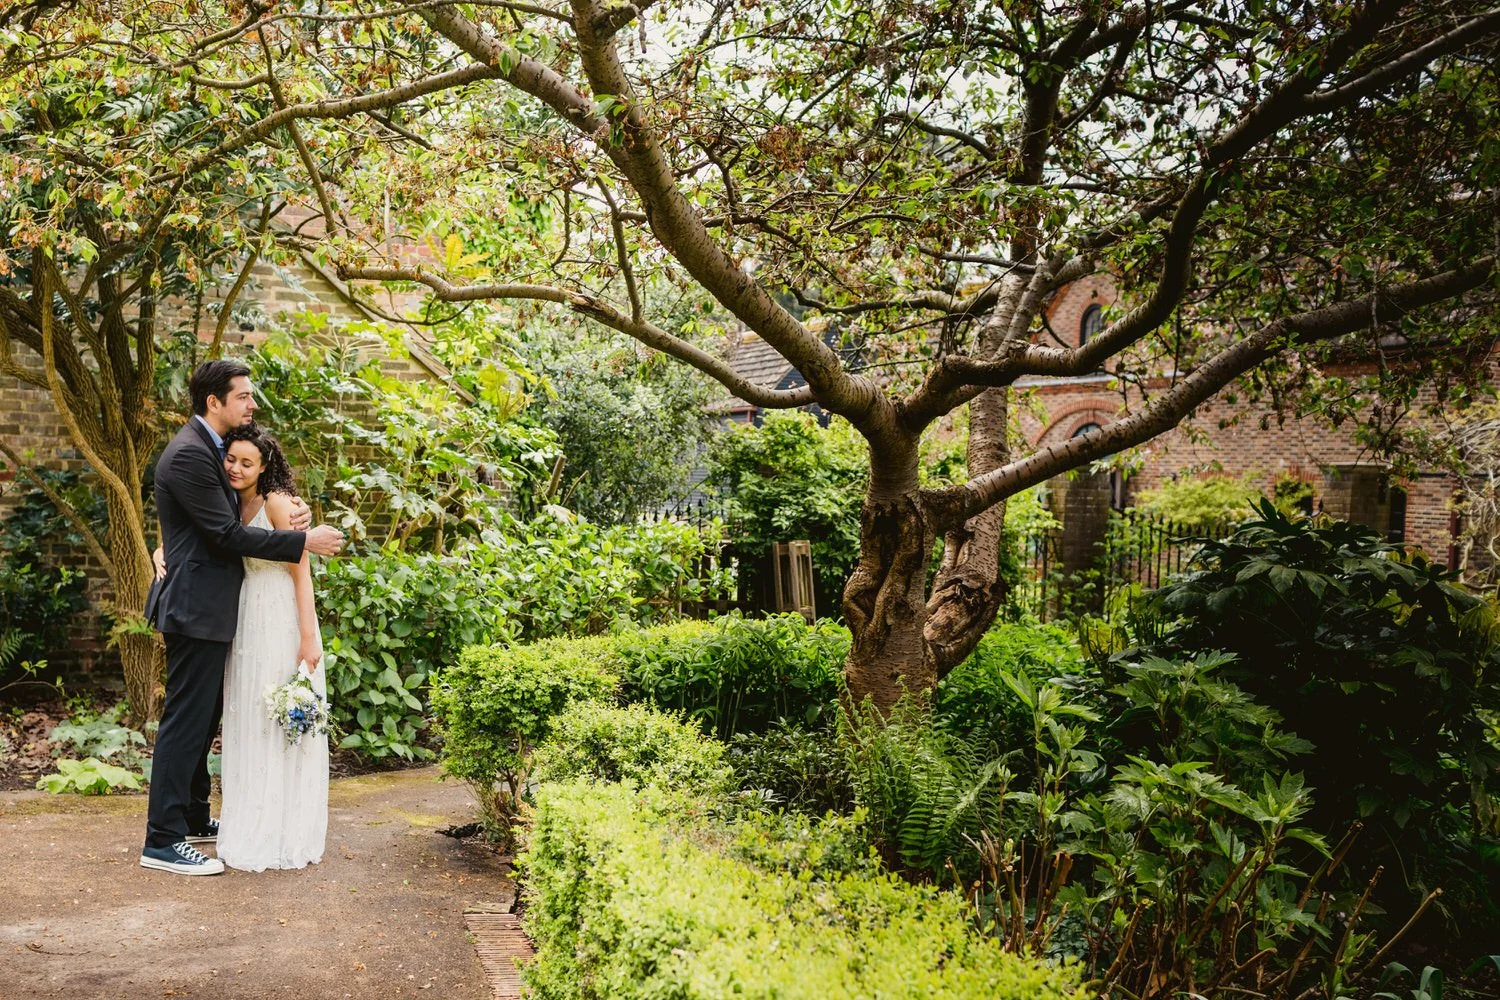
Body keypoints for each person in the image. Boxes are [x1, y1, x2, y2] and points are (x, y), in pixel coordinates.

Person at [141, 360, 344, 877]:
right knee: (186, 723)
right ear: (215, 401)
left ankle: (190, 815)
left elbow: (211, 517)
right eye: (244, 396)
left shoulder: (211, 450)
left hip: (214, 607)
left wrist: (165, 542)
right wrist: (304, 539)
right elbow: (223, 535)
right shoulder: (191, 453)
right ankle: (162, 841)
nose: (252, 404)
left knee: (203, 717)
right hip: (195, 606)